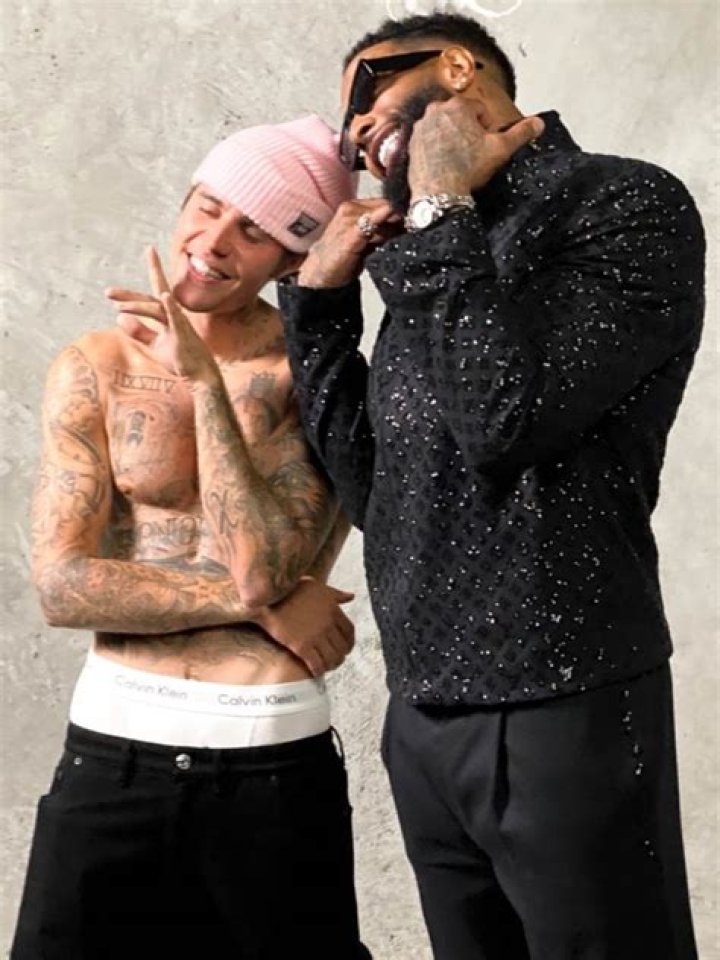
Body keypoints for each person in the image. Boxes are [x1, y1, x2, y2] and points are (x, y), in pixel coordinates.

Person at [277, 12, 705, 960]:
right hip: (423, 712)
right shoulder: (438, 248)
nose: (358, 131)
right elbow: (381, 497)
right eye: (347, 128)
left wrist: (440, 208)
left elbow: (506, 422)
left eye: (368, 94)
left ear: (458, 66)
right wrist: (318, 311)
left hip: (564, 700)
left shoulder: (624, 202)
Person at [12, 116, 373, 960]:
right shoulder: (95, 365)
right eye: (206, 208)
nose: (212, 243)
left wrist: (205, 385)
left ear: (291, 261)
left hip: (266, 758)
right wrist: (268, 607)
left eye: (253, 231)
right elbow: (63, 586)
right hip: (112, 752)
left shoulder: (314, 380)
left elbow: (261, 566)